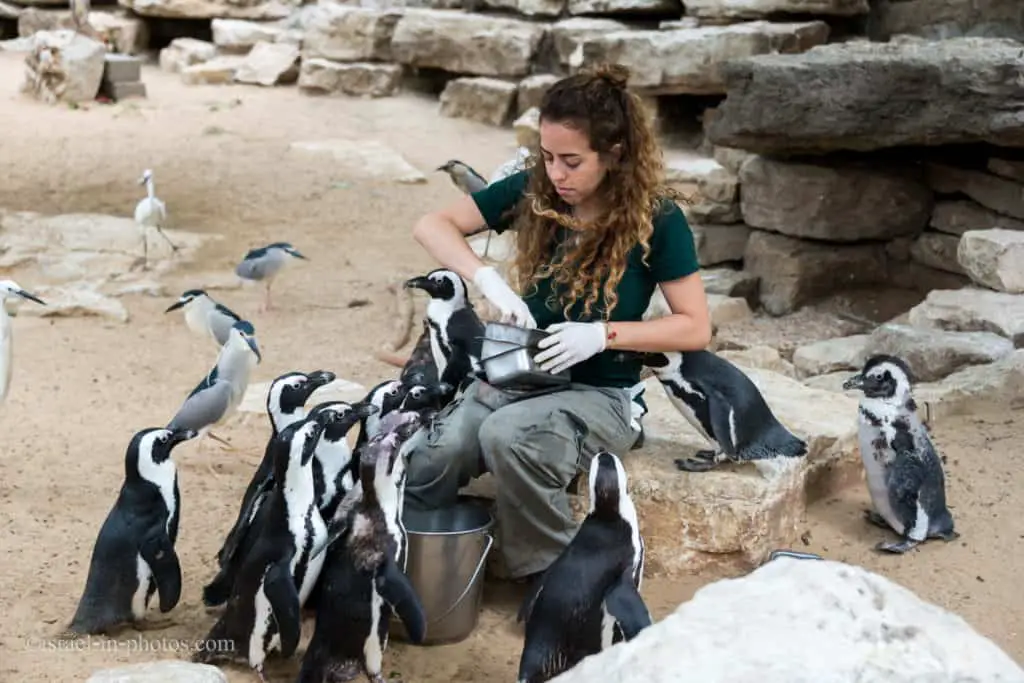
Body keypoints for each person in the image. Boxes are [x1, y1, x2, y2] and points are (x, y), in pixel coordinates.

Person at [402, 63, 713, 582]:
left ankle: (556, 583)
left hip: (600, 393)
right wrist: (486, 279)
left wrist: (604, 334)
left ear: (614, 155)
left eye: (571, 161)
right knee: (436, 456)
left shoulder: (657, 220)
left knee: (508, 436)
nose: (556, 174)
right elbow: (432, 225)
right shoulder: (536, 191)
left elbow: (695, 327)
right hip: (519, 373)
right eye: (546, 157)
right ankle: (414, 561)